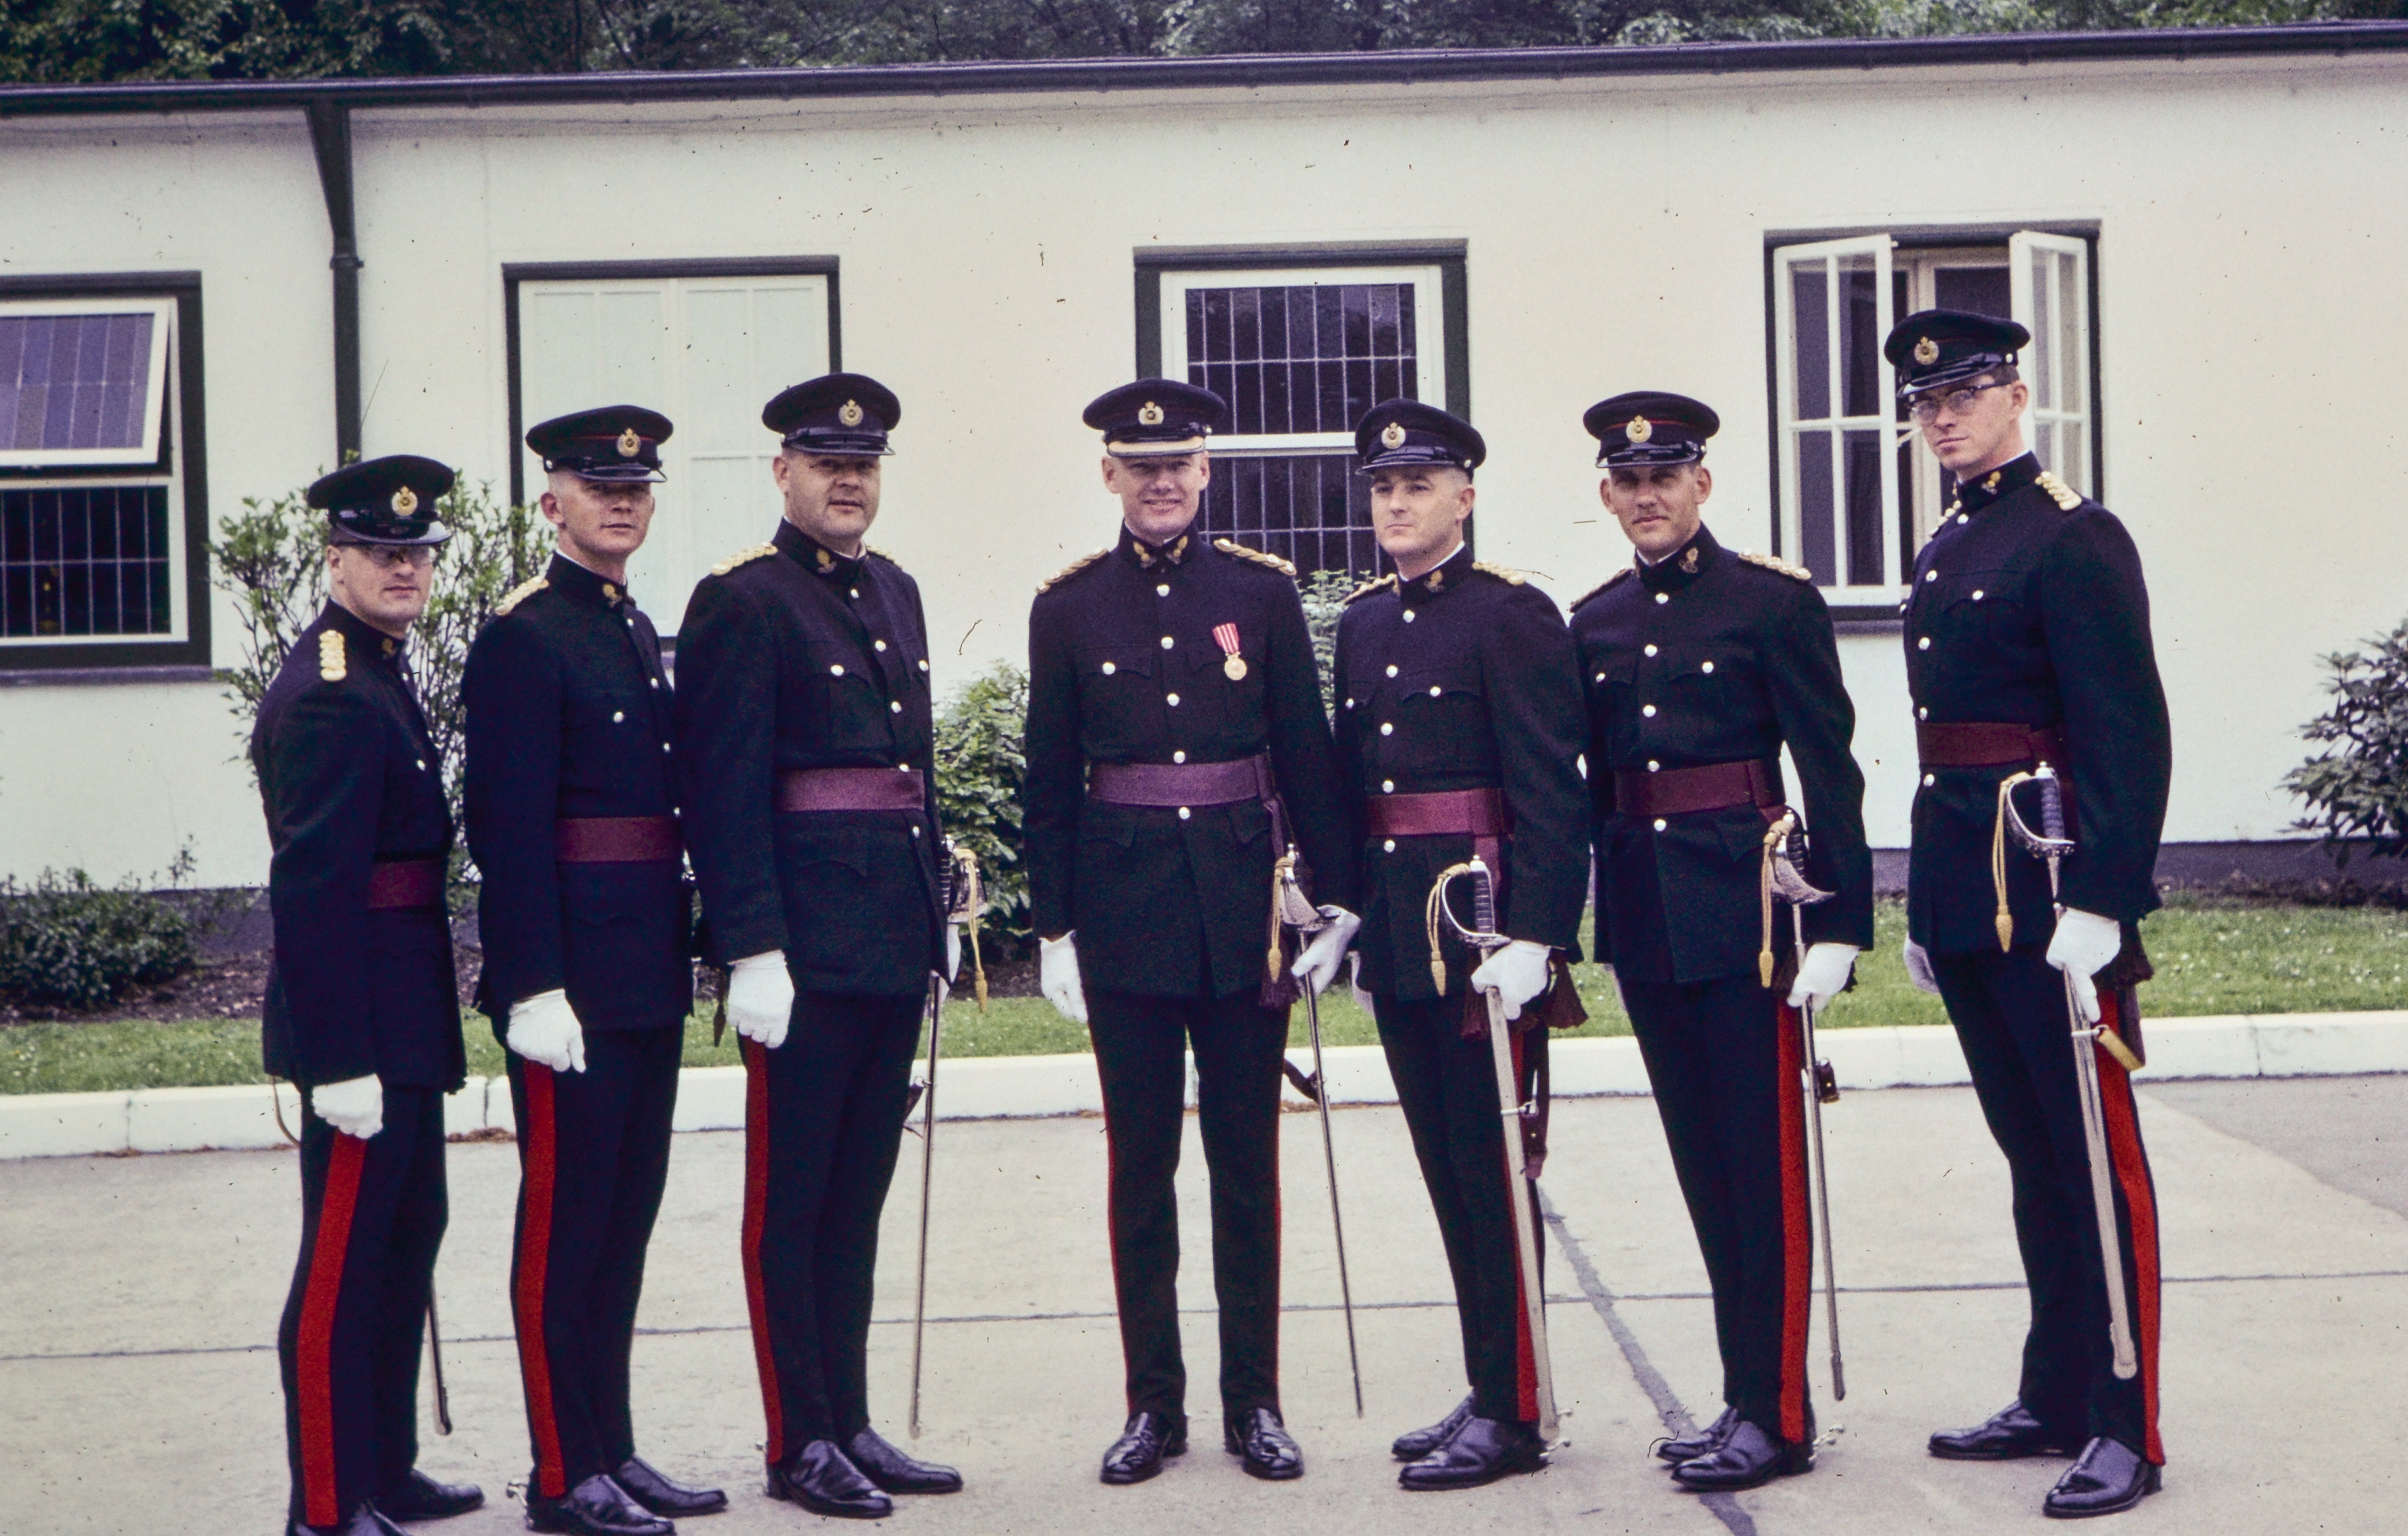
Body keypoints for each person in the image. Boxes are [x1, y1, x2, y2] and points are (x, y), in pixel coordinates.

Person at [1022, 378, 1357, 1487]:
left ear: (1205, 471)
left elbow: (1304, 749)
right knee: (1142, 1171)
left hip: (1242, 915)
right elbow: (1049, 777)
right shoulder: (1068, 606)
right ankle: (1151, 1406)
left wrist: (1337, 900)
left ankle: (1253, 1402)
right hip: (1124, 917)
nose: (1160, 483)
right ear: (1109, 475)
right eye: (1139, 467)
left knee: (1245, 1166)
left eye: (1177, 466)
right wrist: (1055, 928)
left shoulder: (1259, 592)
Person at [1887, 310, 2171, 1519]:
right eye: (1925, 404)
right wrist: (1927, 901)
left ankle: (2125, 1421)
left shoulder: (2071, 535)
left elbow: (2126, 730)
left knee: (2092, 1160)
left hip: (2053, 891)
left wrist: (2106, 898)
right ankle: (2054, 1393)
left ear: (2014, 395)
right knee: (2032, 1158)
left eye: (1962, 395)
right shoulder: (1950, 541)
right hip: (1972, 892)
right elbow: (1942, 743)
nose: (1942, 418)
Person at [1568, 392, 1873, 1494]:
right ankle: (1744, 1395)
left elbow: (1828, 767)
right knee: (1705, 1170)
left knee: (1762, 1170)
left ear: (1701, 483)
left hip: (1751, 923)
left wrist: (1837, 923)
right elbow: (1594, 785)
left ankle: (1778, 1417)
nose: (1647, 496)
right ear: (1607, 495)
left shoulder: (1770, 602)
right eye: (1628, 481)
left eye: (1665, 477)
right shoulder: (1593, 621)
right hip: (1649, 922)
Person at [674, 373, 963, 1520]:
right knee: (791, 1206)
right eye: (828, 464)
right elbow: (722, 789)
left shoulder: (896, 590)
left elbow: (911, 774)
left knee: (856, 1201)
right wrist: (751, 947)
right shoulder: (740, 600)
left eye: (864, 465)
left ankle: (848, 1421)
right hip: (800, 952)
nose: (848, 482)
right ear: (782, 472)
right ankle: (797, 1440)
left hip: (887, 937)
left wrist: (934, 918)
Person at [464, 406, 726, 1535]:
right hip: (568, 984)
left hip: (643, 973)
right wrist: (532, 984)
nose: (621, 501)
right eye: (597, 485)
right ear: (551, 501)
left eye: (636, 486)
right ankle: (560, 1473)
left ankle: (610, 1448)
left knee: (622, 1226)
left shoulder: (628, 624)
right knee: (563, 1234)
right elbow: (507, 828)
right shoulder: (523, 636)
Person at [1327, 399, 1589, 1491]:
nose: (1397, 503)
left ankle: (1518, 1411)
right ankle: (1492, 1381)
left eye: (1419, 485)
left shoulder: (1511, 614)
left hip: (1483, 931)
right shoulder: (1363, 622)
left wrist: (1538, 934)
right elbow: (1358, 789)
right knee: (1447, 1169)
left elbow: (1551, 787)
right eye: (1383, 488)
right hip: (1403, 933)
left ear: (1464, 498)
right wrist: (1348, 913)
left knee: (1493, 1172)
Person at [255, 455, 484, 1536]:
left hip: (403, 1011)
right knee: (343, 1266)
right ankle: (326, 1501)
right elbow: (313, 892)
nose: (405, 568)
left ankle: (385, 1469)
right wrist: (339, 1058)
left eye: (418, 553)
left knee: (405, 1237)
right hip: (360, 1028)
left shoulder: (379, 671)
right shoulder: (331, 692)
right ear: (334, 558)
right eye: (381, 551)